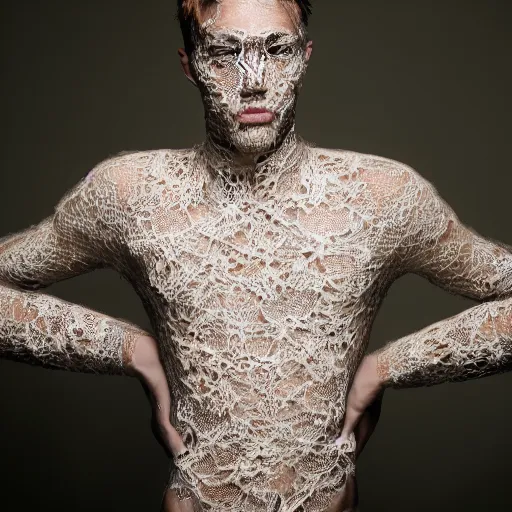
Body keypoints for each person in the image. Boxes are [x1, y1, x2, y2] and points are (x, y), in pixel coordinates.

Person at [1, 0, 511, 510]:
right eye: (225, 52)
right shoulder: (132, 194)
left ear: (304, 57)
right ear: (190, 65)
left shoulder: (381, 197)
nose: (253, 79)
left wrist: (389, 367)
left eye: (277, 50)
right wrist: (131, 350)